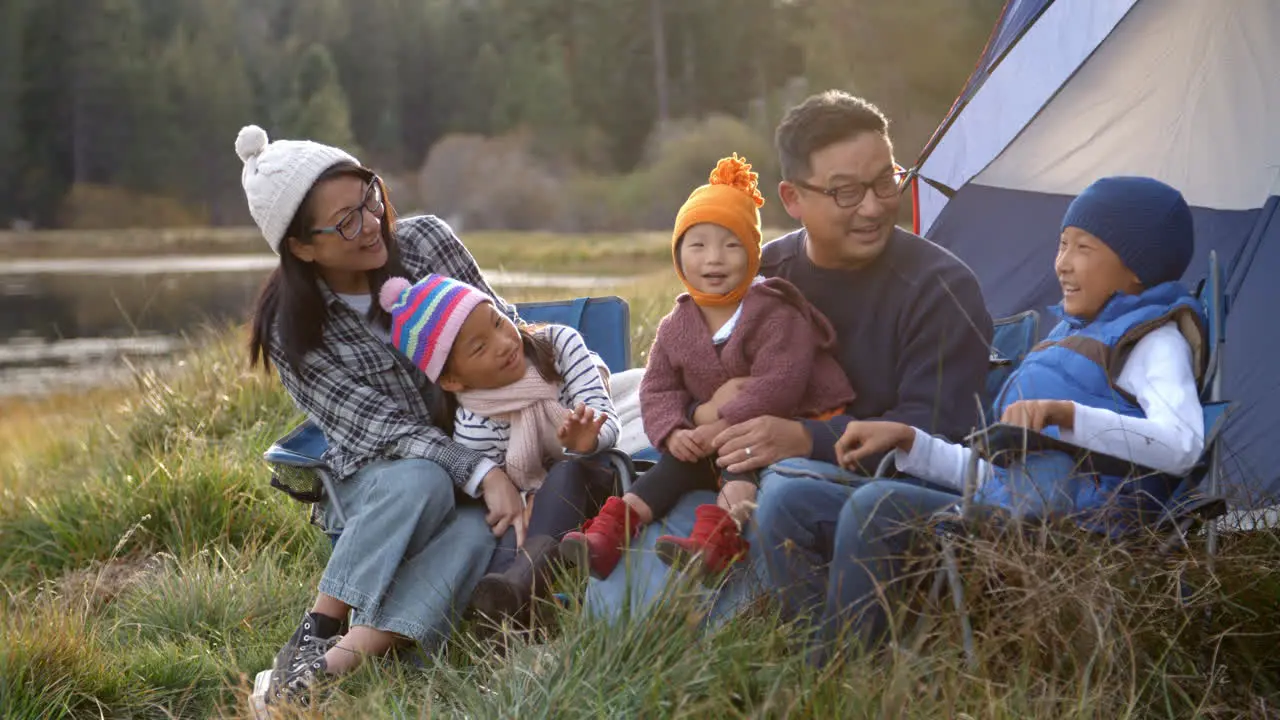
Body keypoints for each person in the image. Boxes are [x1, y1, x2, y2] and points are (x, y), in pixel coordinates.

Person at [757, 175, 1207, 662]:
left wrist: (1068, 415)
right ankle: (821, 666)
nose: (1062, 263)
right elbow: (997, 475)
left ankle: (839, 677)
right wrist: (910, 441)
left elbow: (1182, 446)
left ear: (1136, 268)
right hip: (1008, 510)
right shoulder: (1066, 339)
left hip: (1070, 531)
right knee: (792, 502)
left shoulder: (1152, 342)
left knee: (879, 505)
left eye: (1084, 247)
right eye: (1061, 245)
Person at [229, 125, 596, 713]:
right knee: (422, 477)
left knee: (485, 528)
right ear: (302, 247)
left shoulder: (428, 243)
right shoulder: (291, 331)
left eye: (369, 198)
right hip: (380, 486)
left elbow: (501, 336)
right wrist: (481, 473)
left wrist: (504, 464)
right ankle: (320, 624)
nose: (372, 222)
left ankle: (334, 666)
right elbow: (384, 434)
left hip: (481, 444)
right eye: (346, 220)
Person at [586, 91, 993, 620]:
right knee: (661, 497)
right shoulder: (762, 273)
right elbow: (682, 376)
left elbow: (937, 434)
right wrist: (697, 421)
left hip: (868, 494)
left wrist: (805, 439)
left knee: (782, 489)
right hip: (736, 467)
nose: (873, 206)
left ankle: (764, 655)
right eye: (845, 192)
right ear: (793, 198)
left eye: (885, 181)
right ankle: (629, 648)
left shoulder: (940, 290)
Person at [560, 155, 854, 581]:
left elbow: (780, 384)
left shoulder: (775, 310)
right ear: (679, 254)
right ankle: (608, 535)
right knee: (672, 467)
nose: (713, 259)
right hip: (709, 434)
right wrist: (673, 431)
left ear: (753, 253)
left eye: (731, 244)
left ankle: (718, 539)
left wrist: (716, 426)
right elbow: (657, 389)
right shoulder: (677, 324)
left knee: (740, 455)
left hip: (789, 422)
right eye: (698, 245)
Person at [375, 273, 622, 622]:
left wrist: (587, 440)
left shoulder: (561, 346)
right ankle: (507, 619)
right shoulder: (474, 427)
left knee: (566, 473)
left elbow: (607, 418)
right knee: (510, 533)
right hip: (544, 517)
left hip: (596, 484)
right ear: (452, 380)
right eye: (480, 347)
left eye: (498, 322)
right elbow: (508, 496)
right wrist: (526, 500)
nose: (504, 343)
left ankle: (520, 592)